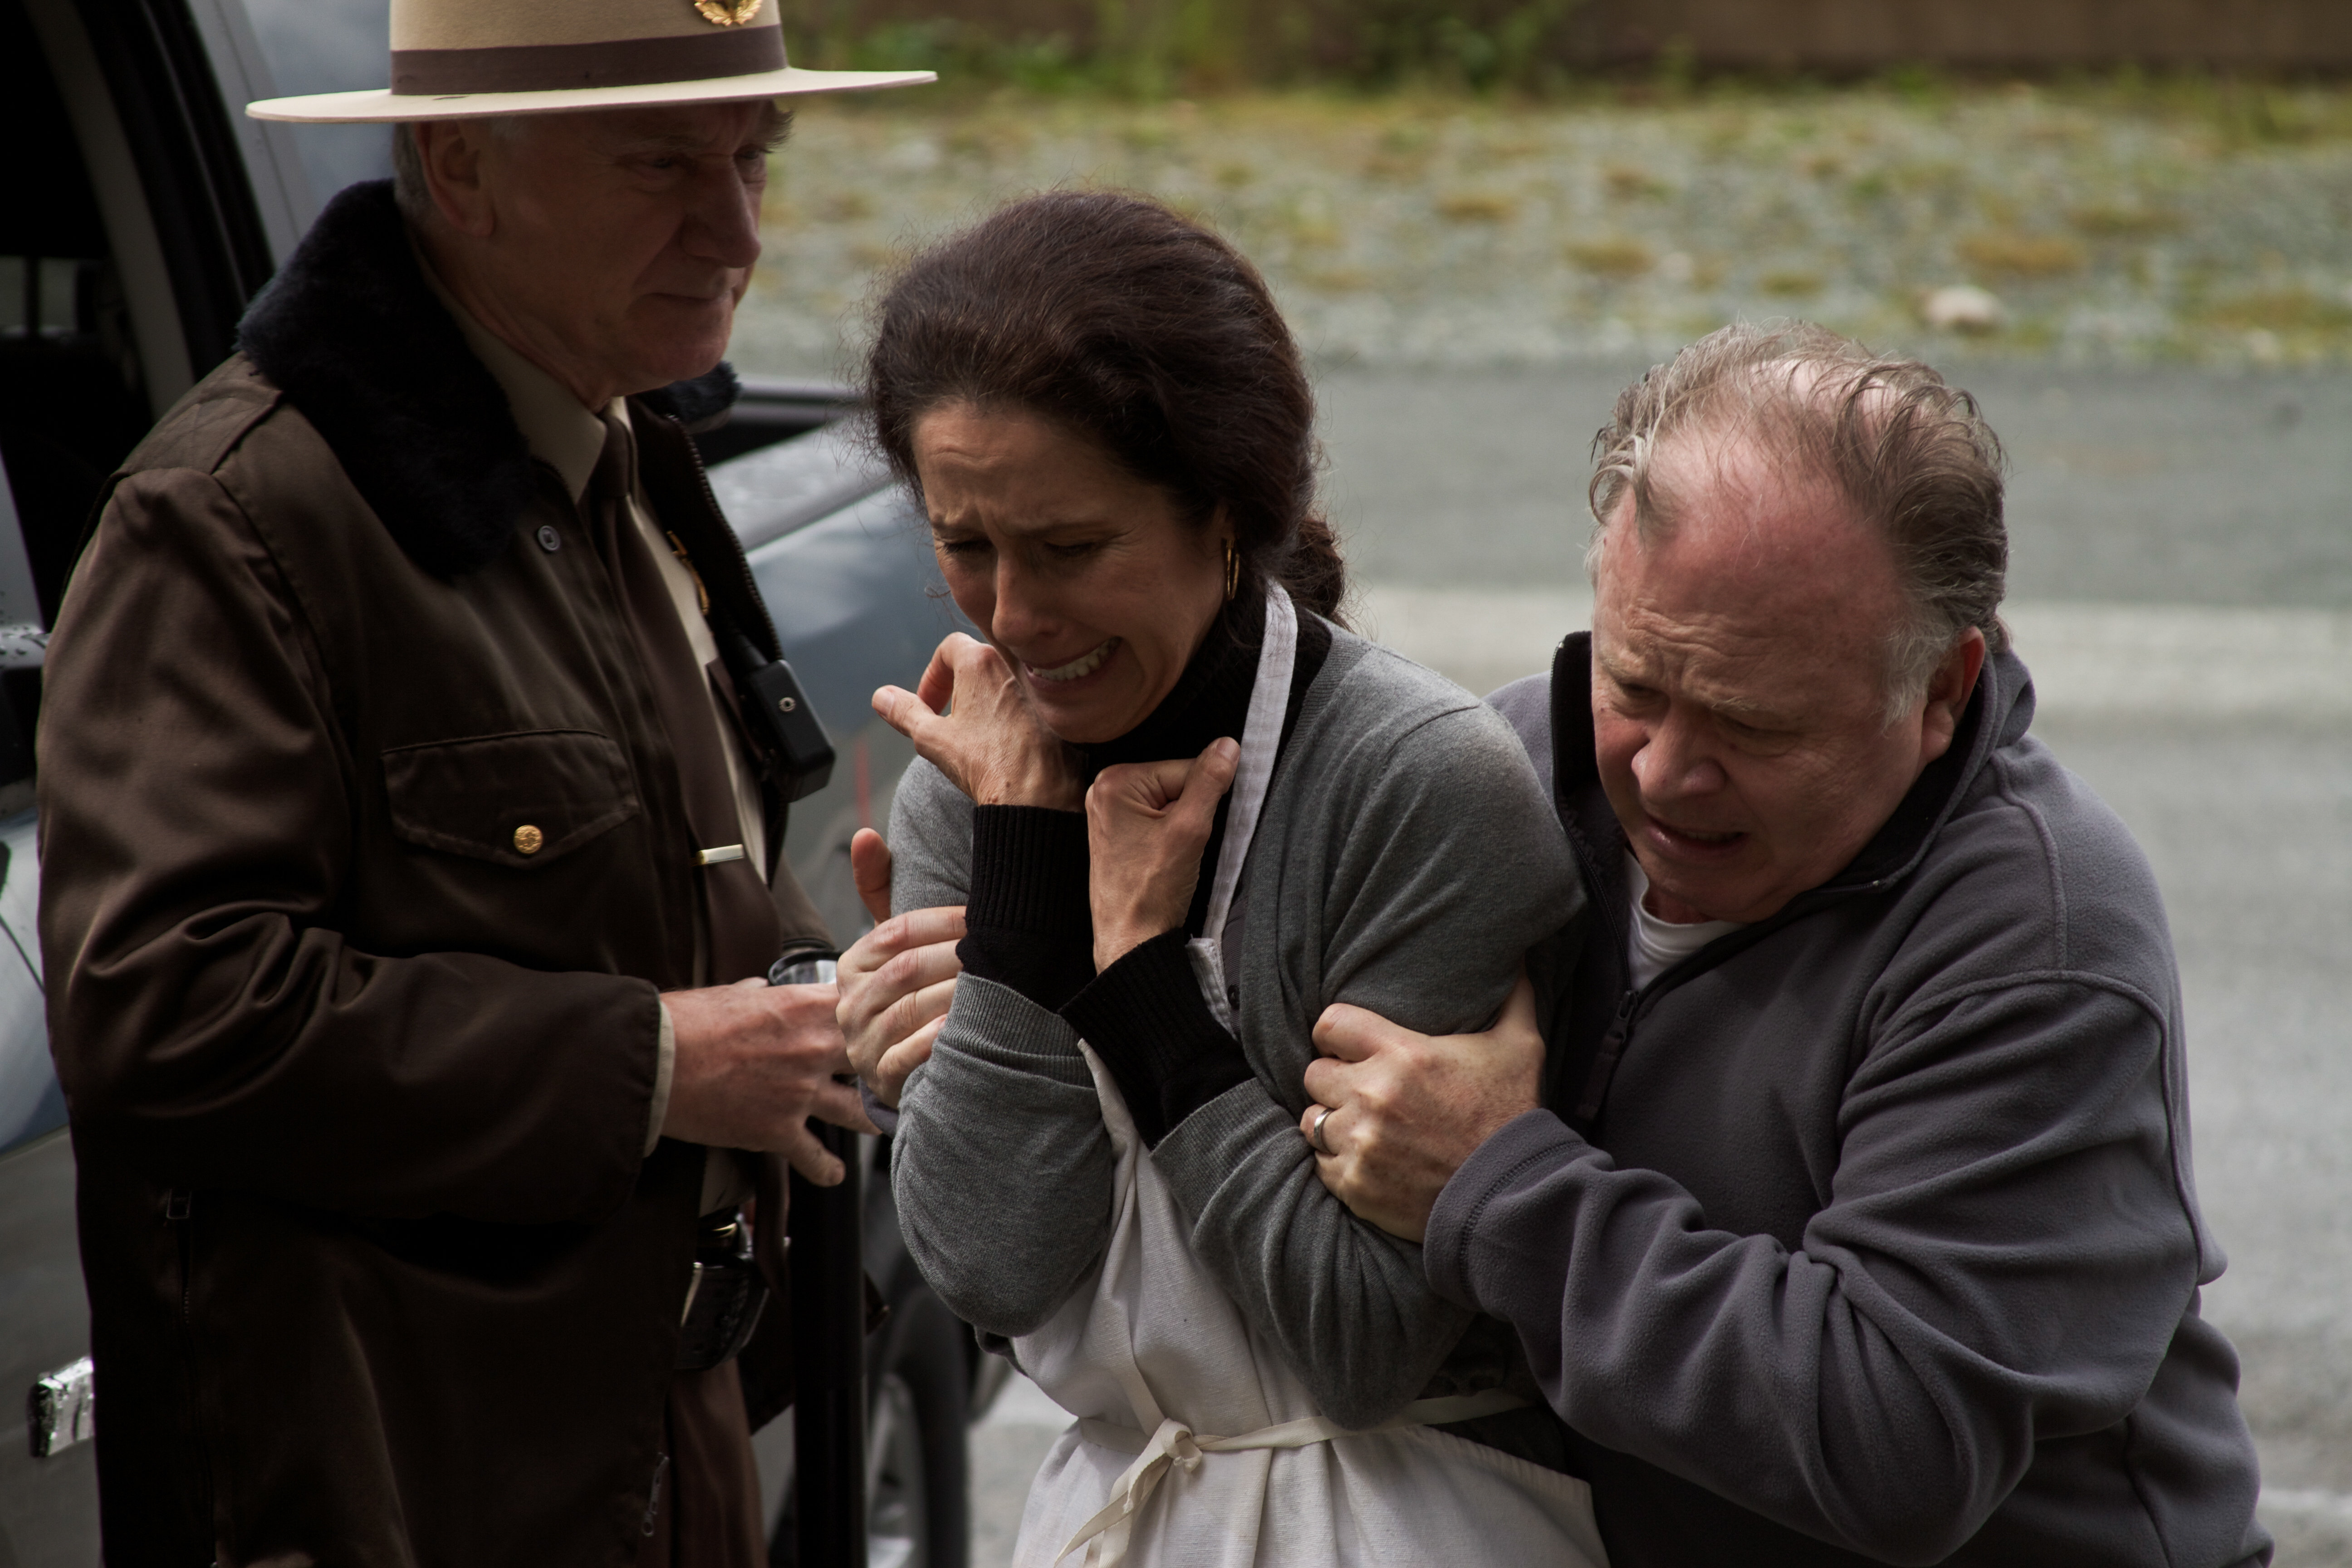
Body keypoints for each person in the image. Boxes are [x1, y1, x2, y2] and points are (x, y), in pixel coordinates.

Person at [36, 5, 931, 1562]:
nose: (734, 228)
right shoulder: (235, 519)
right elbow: (161, 1006)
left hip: (649, 1455)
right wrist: (656, 1061)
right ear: (462, 169)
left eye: (752, 159)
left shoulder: (618, 450)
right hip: (392, 1499)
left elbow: (654, 876)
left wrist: (830, 1001)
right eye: (662, 160)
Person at [1296, 323, 2273, 1567]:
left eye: (1753, 725)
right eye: (1635, 685)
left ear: (1940, 692)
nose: (1663, 775)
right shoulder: (1505, 783)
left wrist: (1497, 1188)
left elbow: (1896, 1441)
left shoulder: (2038, 939)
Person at [836, 190, 1608, 1567]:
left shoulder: (1413, 788)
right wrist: (1024, 862)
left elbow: (1362, 1342)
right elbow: (989, 1267)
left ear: (1226, 513)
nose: (1013, 616)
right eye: (966, 545)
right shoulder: (979, 777)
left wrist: (1139, 990)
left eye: (1070, 549)